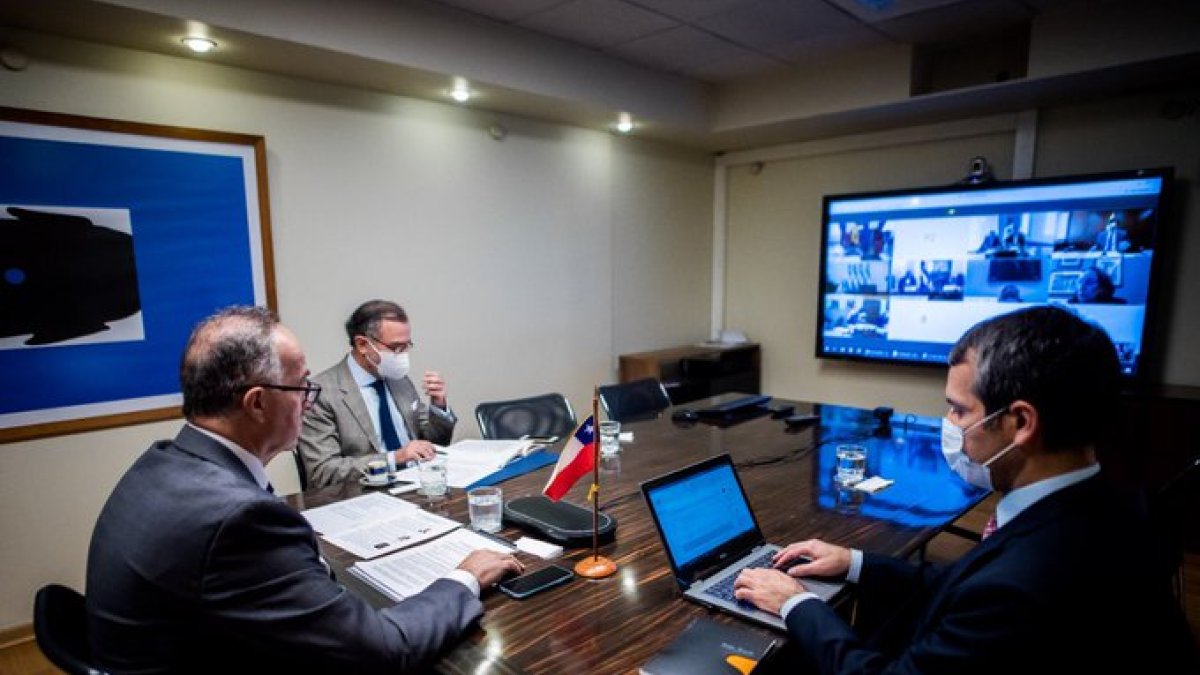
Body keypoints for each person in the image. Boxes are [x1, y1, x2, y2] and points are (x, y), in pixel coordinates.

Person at [733, 305, 1196, 673]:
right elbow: (966, 583)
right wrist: (854, 563)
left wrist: (795, 603)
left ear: (1020, 422)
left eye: (958, 410)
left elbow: (987, 594)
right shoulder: (1112, 502)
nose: (950, 425)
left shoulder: (1026, 581)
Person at [86, 306, 523, 673]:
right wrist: (465, 576)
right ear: (256, 403)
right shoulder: (241, 520)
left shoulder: (161, 462)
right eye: (301, 388)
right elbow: (385, 651)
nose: (308, 401)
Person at [300, 300, 456, 487]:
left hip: (418, 485)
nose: (403, 355)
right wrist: (394, 458)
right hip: (363, 495)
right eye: (396, 348)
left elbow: (435, 442)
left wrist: (439, 406)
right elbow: (322, 472)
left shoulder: (399, 380)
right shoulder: (321, 393)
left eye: (407, 346)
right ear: (362, 345)